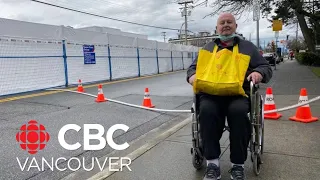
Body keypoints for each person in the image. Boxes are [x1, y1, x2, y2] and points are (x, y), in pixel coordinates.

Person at [186, 12, 272, 180]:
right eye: (222, 22)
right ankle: (212, 164)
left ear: (235, 26)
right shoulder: (207, 48)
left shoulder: (248, 47)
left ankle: (237, 165)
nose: (226, 25)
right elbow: (192, 68)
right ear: (217, 28)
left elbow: (265, 67)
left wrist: (258, 73)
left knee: (239, 112)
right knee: (207, 111)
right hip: (211, 94)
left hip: (238, 94)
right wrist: (191, 76)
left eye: (229, 22)